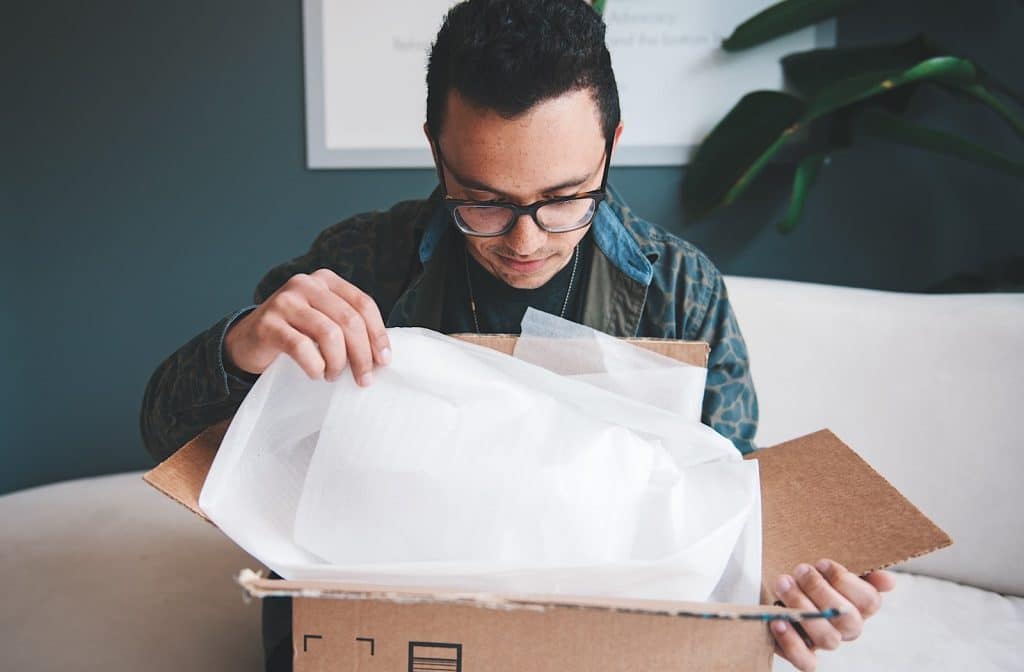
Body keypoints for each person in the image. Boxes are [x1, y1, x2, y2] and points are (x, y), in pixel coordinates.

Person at [139, 1, 894, 670]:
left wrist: (793, 592)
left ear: (613, 145)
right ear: (437, 149)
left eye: (566, 198)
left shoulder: (679, 289)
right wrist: (242, 345)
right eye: (485, 201)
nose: (526, 240)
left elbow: (730, 515)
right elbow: (167, 437)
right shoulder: (362, 261)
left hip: (595, 642)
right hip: (377, 637)